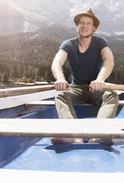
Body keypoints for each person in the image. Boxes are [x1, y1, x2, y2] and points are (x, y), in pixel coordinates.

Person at [50, 8, 119, 145]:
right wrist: (60, 78)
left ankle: (98, 135)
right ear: (77, 26)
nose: (84, 26)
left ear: (94, 28)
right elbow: (57, 62)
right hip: (76, 88)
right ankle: (73, 136)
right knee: (60, 96)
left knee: (112, 95)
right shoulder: (68, 44)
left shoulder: (100, 42)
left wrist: (100, 79)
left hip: (96, 88)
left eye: (88, 23)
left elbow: (109, 60)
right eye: (81, 23)